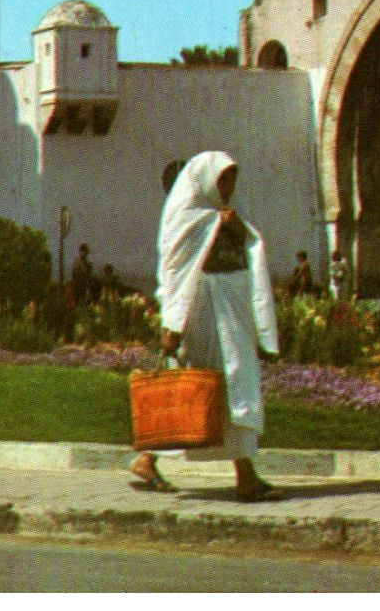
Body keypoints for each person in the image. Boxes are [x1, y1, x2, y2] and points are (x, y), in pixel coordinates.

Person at [130, 151, 285, 503]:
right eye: (222, 180)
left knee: (237, 385)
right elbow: (176, 273)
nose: (228, 187)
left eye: (231, 180)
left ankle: (245, 474)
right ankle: (150, 459)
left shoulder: (227, 215)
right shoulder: (185, 217)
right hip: (200, 315)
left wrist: (236, 227)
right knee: (197, 393)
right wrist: (172, 323)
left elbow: (251, 247)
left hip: (232, 313)